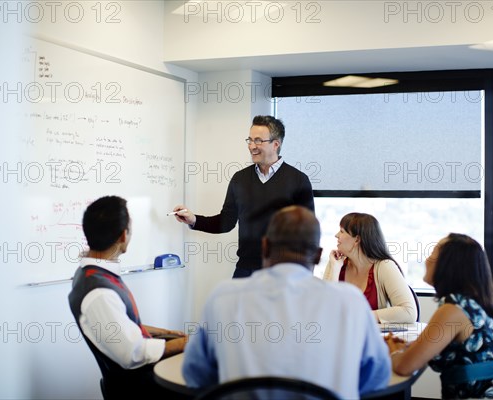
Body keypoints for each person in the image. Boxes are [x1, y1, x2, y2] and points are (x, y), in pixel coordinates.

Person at [182, 206, 392, 399]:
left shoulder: (223, 298)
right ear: (318, 256)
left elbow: (195, 373)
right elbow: (377, 376)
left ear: (264, 247)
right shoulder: (351, 302)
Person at [68, 196, 188, 398]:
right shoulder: (100, 293)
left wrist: (167, 332)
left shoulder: (89, 273)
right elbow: (134, 352)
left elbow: (121, 324)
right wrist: (186, 343)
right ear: (123, 235)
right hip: (140, 389)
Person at [172, 115, 314, 278]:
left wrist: (307, 274)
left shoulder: (298, 180)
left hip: (284, 272)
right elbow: (225, 222)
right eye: (250, 140)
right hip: (246, 270)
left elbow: (308, 232)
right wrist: (193, 220)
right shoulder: (240, 179)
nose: (252, 146)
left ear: (276, 144)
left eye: (259, 141)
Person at [385, 233, 493, 399]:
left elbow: (404, 367)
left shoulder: (453, 310)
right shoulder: (469, 304)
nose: (427, 260)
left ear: (449, 266)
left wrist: (394, 353)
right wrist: (407, 348)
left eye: (433, 254)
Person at [322, 212, 417, 324]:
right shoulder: (336, 263)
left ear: (357, 240)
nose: (336, 235)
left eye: (342, 231)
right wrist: (335, 269)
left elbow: (409, 312)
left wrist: (360, 316)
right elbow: (324, 312)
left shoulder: (384, 266)